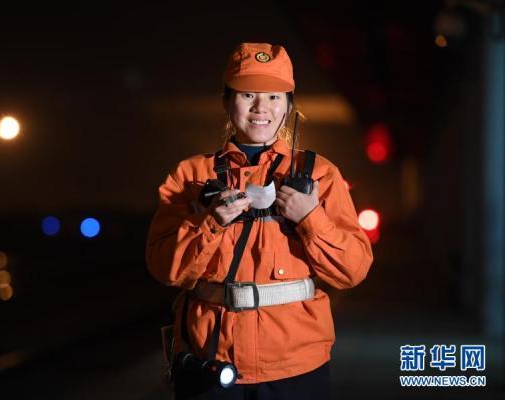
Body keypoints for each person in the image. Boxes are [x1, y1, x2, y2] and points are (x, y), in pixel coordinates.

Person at [146, 42, 373, 399]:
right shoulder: (189, 176)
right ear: (226, 101)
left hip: (297, 365)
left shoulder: (320, 174)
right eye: (248, 94)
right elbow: (165, 270)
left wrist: (310, 217)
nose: (260, 108)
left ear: (289, 105)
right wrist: (211, 222)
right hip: (211, 361)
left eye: (274, 97)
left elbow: (353, 270)